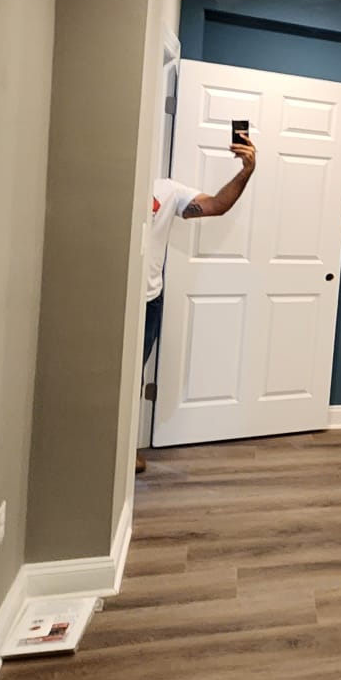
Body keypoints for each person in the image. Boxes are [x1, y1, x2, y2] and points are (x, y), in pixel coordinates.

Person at [137, 134, 257, 468]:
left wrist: (246, 170)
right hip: (109, 300)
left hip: (148, 300)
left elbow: (216, 205)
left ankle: (123, 450)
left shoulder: (167, 190)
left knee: (133, 378)